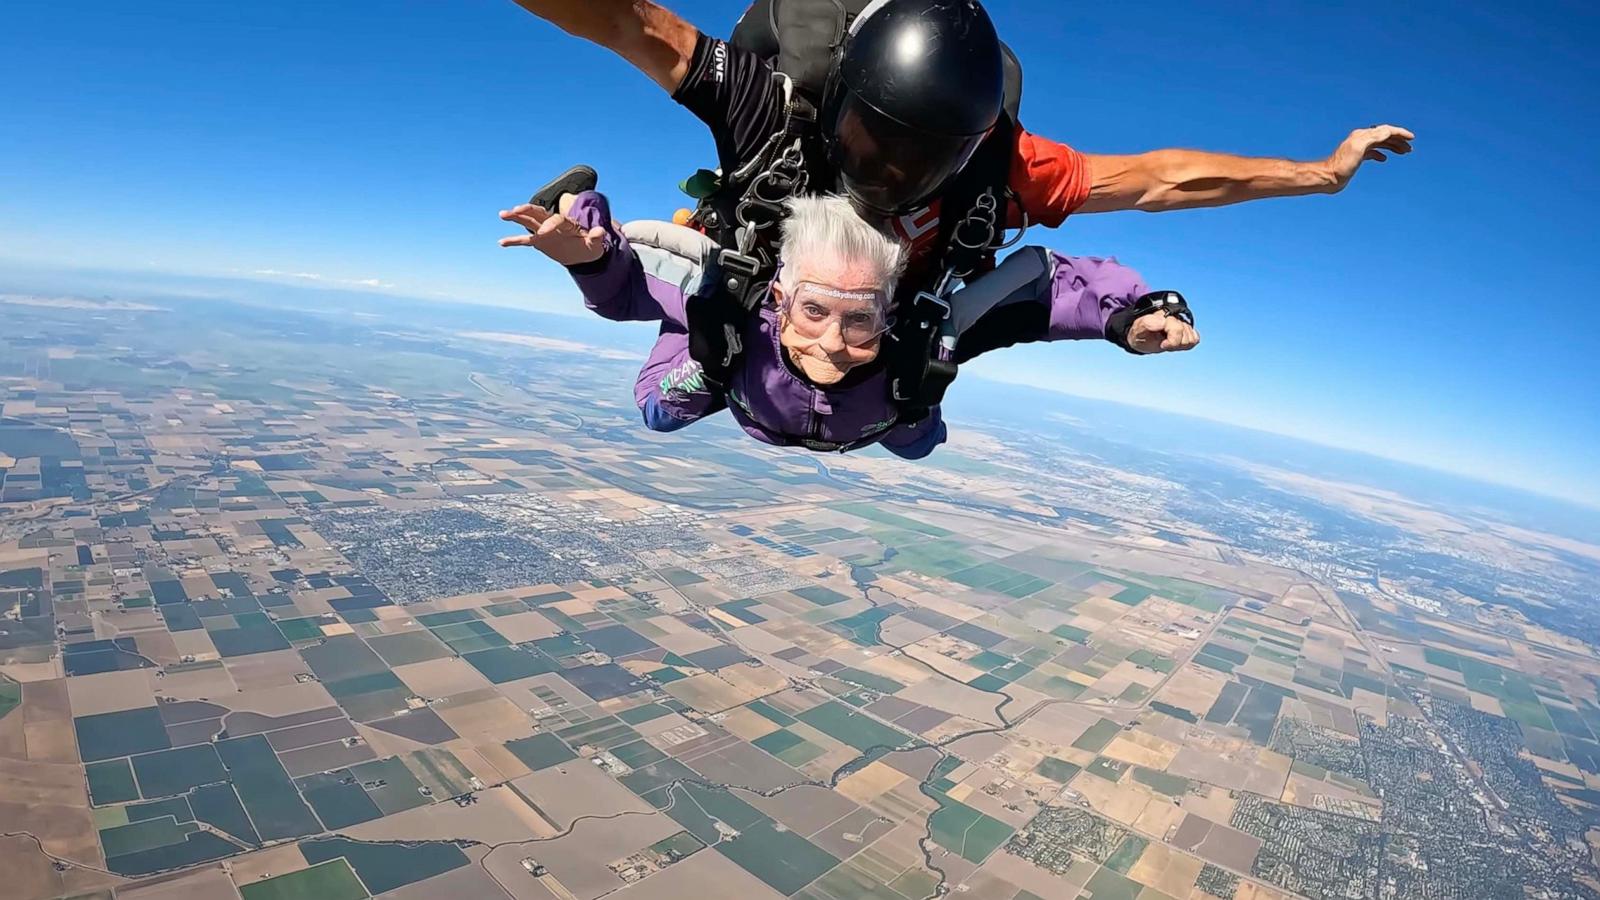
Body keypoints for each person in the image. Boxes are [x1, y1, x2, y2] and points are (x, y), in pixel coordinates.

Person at [497, 189, 1197, 459]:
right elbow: (629, 287)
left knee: (919, 425)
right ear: (779, 297)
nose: (833, 341)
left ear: (886, 313)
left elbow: (1038, 289)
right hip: (729, 369)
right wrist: (585, 257)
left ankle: (906, 400)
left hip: (868, 413)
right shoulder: (733, 309)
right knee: (664, 409)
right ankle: (706, 360)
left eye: (859, 319)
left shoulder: (916, 341)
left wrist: (1126, 318)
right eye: (814, 311)